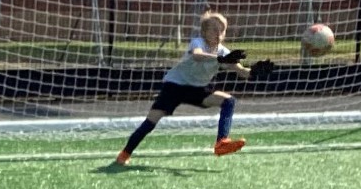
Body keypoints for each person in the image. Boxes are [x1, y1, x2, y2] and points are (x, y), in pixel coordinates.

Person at [115, 11, 271, 166]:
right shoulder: (198, 42)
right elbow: (197, 55)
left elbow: (242, 71)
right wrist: (219, 59)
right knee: (151, 121)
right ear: (204, 32)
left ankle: (221, 143)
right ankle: (125, 154)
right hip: (174, 86)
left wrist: (254, 72)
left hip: (197, 89)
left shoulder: (224, 52)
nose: (219, 34)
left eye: (222, 30)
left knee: (228, 101)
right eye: (214, 29)